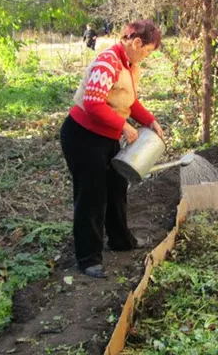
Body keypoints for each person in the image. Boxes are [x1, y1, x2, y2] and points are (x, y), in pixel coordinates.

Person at [60, 20, 164, 278]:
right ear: (137, 42)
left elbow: (128, 101)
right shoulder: (108, 62)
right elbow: (93, 103)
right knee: (91, 196)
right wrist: (124, 127)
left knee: (117, 188)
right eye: (148, 51)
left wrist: (149, 120)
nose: (147, 56)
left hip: (105, 136)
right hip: (83, 136)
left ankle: (120, 240)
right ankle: (88, 258)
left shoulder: (129, 65)